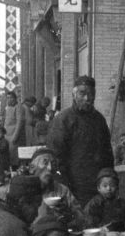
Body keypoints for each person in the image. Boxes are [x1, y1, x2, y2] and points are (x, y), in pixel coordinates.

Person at [45, 75, 117, 208]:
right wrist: (65, 187)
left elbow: (107, 154)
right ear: (74, 94)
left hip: (98, 185)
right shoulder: (63, 120)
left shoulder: (99, 120)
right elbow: (55, 158)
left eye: (91, 94)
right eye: (82, 93)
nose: (87, 98)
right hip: (74, 186)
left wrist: (109, 179)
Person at [29, 146, 89, 230]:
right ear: (32, 168)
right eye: (45, 163)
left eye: (53, 164)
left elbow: (81, 219)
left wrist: (68, 214)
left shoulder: (62, 190)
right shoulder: (25, 189)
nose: (50, 168)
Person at [83, 167, 125, 232]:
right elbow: (89, 224)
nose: (108, 189)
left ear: (117, 187)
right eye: (105, 186)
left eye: (112, 185)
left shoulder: (123, 204)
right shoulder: (95, 204)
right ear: (98, 188)